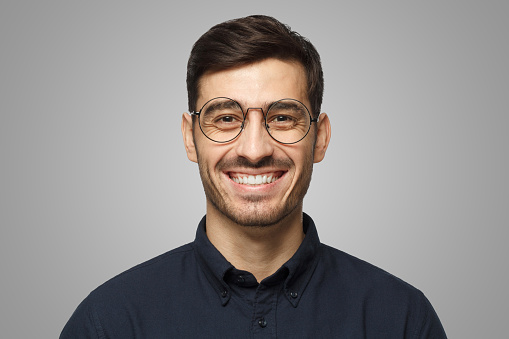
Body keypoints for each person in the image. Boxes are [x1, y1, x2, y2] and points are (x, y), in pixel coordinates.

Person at [60, 15, 447, 338]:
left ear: (320, 137)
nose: (255, 149)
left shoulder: (403, 321)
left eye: (282, 116)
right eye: (226, 118)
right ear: (189, 139)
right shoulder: (108, 324)